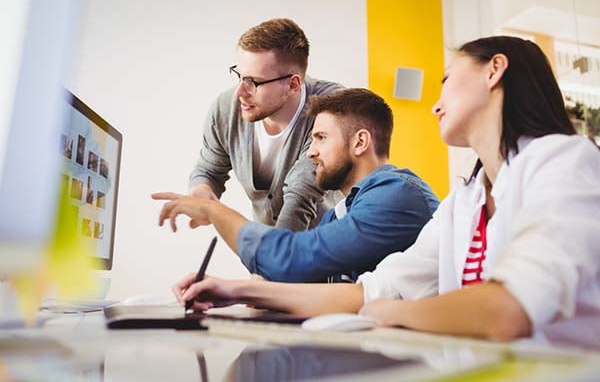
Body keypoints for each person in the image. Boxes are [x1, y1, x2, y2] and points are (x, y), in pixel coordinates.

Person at [168, 36, 600, 344]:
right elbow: (372, 292)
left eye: (447, 79)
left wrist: (394, 313)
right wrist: (237, 290)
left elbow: (507, 312)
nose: (435, 102)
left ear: (495, 70)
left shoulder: (567, 162)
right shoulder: (464, 202)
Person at [154, 89, 439, 282]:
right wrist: (230, 291)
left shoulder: (398, 195)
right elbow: (304, 281)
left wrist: (213, 210)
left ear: (360, 142)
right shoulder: (339, 214)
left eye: (321, 138)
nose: (311, 152)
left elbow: (291, 258)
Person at [189, 18, 343, 232]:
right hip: (273, 246)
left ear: (292, 84)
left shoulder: (332, 108)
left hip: (329, 248)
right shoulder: (225, 110)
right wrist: (202, 191)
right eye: (239, 76)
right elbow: (209, 170)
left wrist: (273, 257)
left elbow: (302, 193)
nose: (240, 92)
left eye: (253, 82)